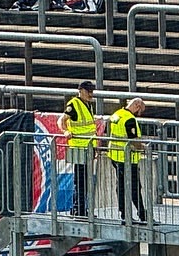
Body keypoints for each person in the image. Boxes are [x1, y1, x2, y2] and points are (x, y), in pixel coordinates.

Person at [106, 97, 147, 225]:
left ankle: (123, 214)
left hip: (115, 156)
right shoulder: (129, 119)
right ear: (137, 106)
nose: (138, 115)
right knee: (135, 188)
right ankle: (143, 216)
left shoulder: (117, 114)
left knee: (121, 187)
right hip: (127, 159)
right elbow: (133, 140)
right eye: (140, 112)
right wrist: (144, 147)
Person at [63, 80, 98, 217]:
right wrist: (65, 131)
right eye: (88, 91)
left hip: (88, 147)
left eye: (92, 91)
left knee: (85, 180)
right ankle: (80, 210)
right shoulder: (74, 104)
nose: (91, 94)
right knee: (81, 181)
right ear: (81, 90)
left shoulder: (88, 104)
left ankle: (78, 209)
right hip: (78, 148)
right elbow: (61, 120)